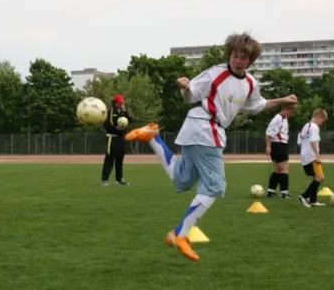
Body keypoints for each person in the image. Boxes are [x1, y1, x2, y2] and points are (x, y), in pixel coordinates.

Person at [125, 32, 298, 262]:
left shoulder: (250, 83)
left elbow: (256, 106)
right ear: (230, 55)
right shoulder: (216, 73)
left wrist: (283, 100)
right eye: (235, 56)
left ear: (250, 61)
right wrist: (185, 86)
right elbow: (190, 96)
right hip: (205, 126)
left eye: (243, 58)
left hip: (200, 128)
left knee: (182, 179)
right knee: (215, 185)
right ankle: (180, 234)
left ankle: (152, 138)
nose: (237, 61)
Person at [297, 108, 328, 208]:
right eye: (322, 121)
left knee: (315, 178)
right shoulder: (314, 127)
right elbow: (313, 141)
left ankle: (313, 200)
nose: (321, 124)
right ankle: (304, 196)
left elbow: (299, 142)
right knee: (320, 178)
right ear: (319, 117)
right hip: (312, 156)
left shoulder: (305, 126)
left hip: (305, 156)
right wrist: (317, 156)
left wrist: (304, 152)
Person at [265, 104, 297, 198]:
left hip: (279, 145)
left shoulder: (284, 119)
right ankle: (284, 192)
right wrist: (268, 146)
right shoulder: (277, 119)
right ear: (285, 109)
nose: (292, 114)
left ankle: (270, 191)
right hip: (278, 145)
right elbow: (268, 133)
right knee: (285, 168)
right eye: (291, 112)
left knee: (277, 170)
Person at [101, 94, 132, 186]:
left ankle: (119, 179)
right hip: (112, 137)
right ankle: (105, 179)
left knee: (120, 159)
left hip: (121, 138)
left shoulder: (123, 111)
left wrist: (125, 111)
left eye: (122, 103)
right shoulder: (110, 111)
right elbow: (106, 124)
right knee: (110, 158)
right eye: (119, 103)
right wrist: (115, 128)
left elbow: (129, 121)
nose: (121, 104)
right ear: (115, 103)